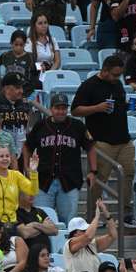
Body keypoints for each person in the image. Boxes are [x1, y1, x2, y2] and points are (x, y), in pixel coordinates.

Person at [71, 55, 136, 226]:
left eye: (120, 75)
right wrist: (97, 108)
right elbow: (75, 110)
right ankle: (94, 215)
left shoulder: (117, 84)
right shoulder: (89, 85)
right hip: (101, 140)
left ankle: (126, 214)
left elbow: (118, 105)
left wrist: (130, 106)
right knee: (99, 179)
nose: (117, 78)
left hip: (124, 139)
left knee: (128, 174)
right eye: (115, 75)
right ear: (105, 70)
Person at [23, 93, 96, 225]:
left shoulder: (77, 126)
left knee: (69, 223)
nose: (61, 111)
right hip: (43, 181)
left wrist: (93, 171)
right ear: (51, 109)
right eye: (57, 108)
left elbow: (90, 147)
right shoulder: (40, 125)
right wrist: (27, 167)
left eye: (63, 108)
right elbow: (27, 146)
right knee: (41, 221)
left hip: (70, 181)